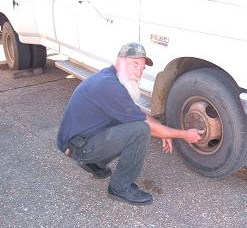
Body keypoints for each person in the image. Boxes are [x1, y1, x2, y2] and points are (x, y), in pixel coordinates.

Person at [57, 42, 203, 205]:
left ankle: (95, 164)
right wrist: (183, 135)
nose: (139, 72)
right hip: (78, 147)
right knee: (140, 131)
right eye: (135, 64)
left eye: (142, 68)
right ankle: (120, 187)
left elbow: (135, 113)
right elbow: (143, 123)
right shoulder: (109, 86)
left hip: (79, 141)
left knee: (133, 124)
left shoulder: (111, 78)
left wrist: (164, 131)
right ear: (120, 61)